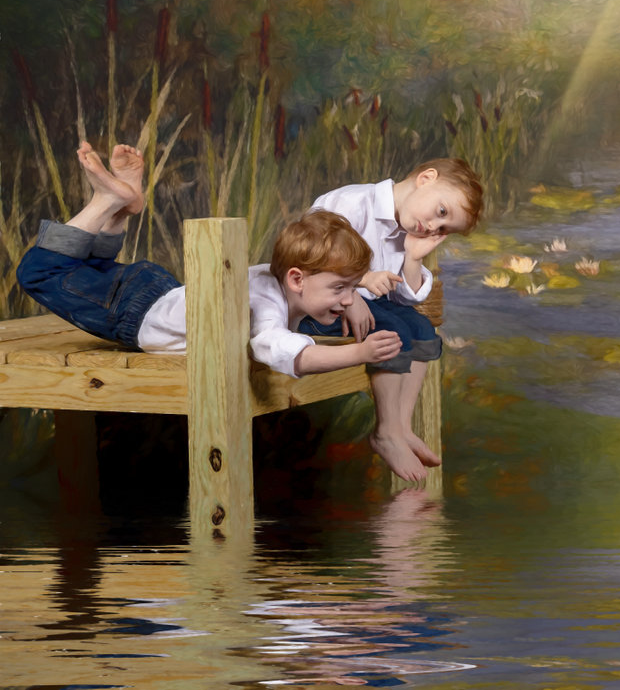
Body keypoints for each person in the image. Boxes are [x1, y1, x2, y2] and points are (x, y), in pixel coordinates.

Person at [16, 141, 403, 380]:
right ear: (297, 279)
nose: (349, 298)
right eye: (340, 288)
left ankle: (120, 208)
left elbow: (316, 311)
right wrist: (359, 354)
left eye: (351, 288)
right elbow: (286, 350)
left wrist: (349, 296)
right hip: (133, 312)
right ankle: (107, 203)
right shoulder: (267, 306)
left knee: (87, 269)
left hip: (158, 291)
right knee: (39, 271)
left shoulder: (283, 279)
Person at [303, 158, 483, 482]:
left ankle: (400, 427)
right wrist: (354, 292)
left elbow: (404, 297)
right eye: (441, 212)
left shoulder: (409, 229)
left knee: (421, 328)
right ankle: (386, 431)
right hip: (321, 308)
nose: (433, 228)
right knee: (394, 331)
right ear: (426, 178)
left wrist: (413, 258)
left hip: (367, 307)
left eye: (444, 230)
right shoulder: (352, 203)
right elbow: (310, 255)